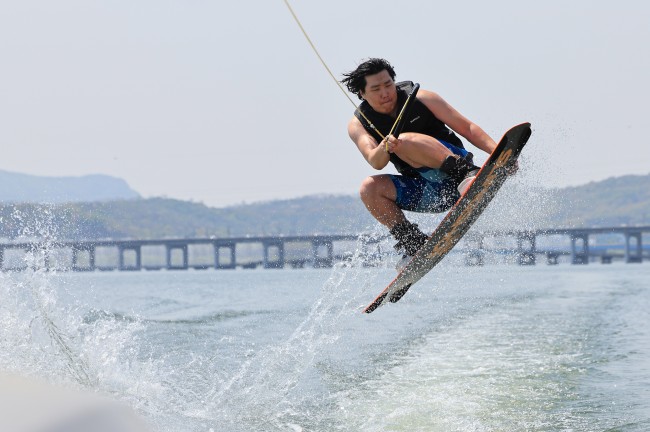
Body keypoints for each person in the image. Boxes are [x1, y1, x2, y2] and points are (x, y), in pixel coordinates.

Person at [341, 58, 499, 263]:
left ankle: (466, 175)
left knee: (404, 141)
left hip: (462, 171)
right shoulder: (358, 125)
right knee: (369, 189)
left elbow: (467, 128)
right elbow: (375, 161)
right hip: (431, 193)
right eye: (376, 89)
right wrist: (384, 146)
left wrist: (500, 155)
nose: (385, 93)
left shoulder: (422, 98)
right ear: (362, 93)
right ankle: (413, 243)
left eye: (388, 84)